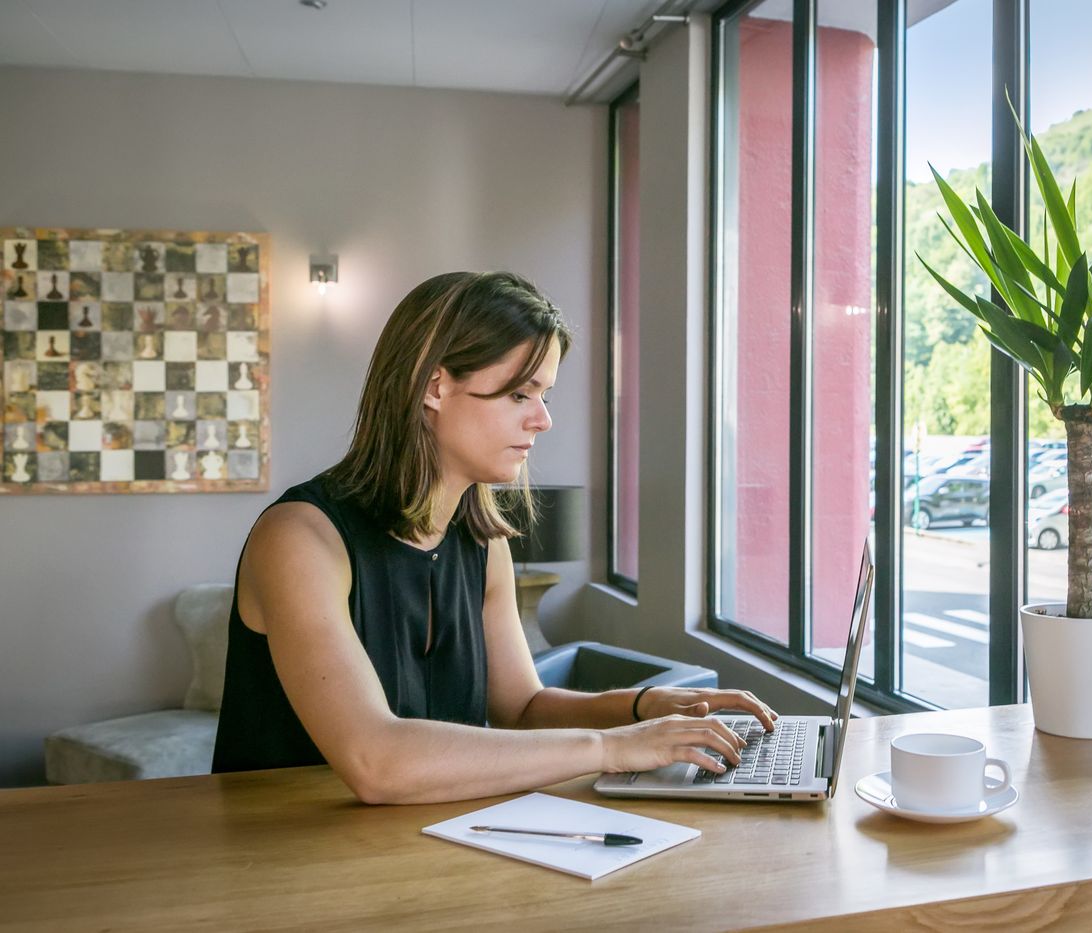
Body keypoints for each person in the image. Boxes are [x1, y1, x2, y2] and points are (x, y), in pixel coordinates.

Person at [212, 271, 775, 804]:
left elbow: (521, 709)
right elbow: (375, 762)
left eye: (545, 396)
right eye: (520, 394)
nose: (542, 420)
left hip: (427, 842)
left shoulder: (482, 542)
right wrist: (611, 747)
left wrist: (642, 708)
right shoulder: (301, 539)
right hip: (278, 858)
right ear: (435, 386)